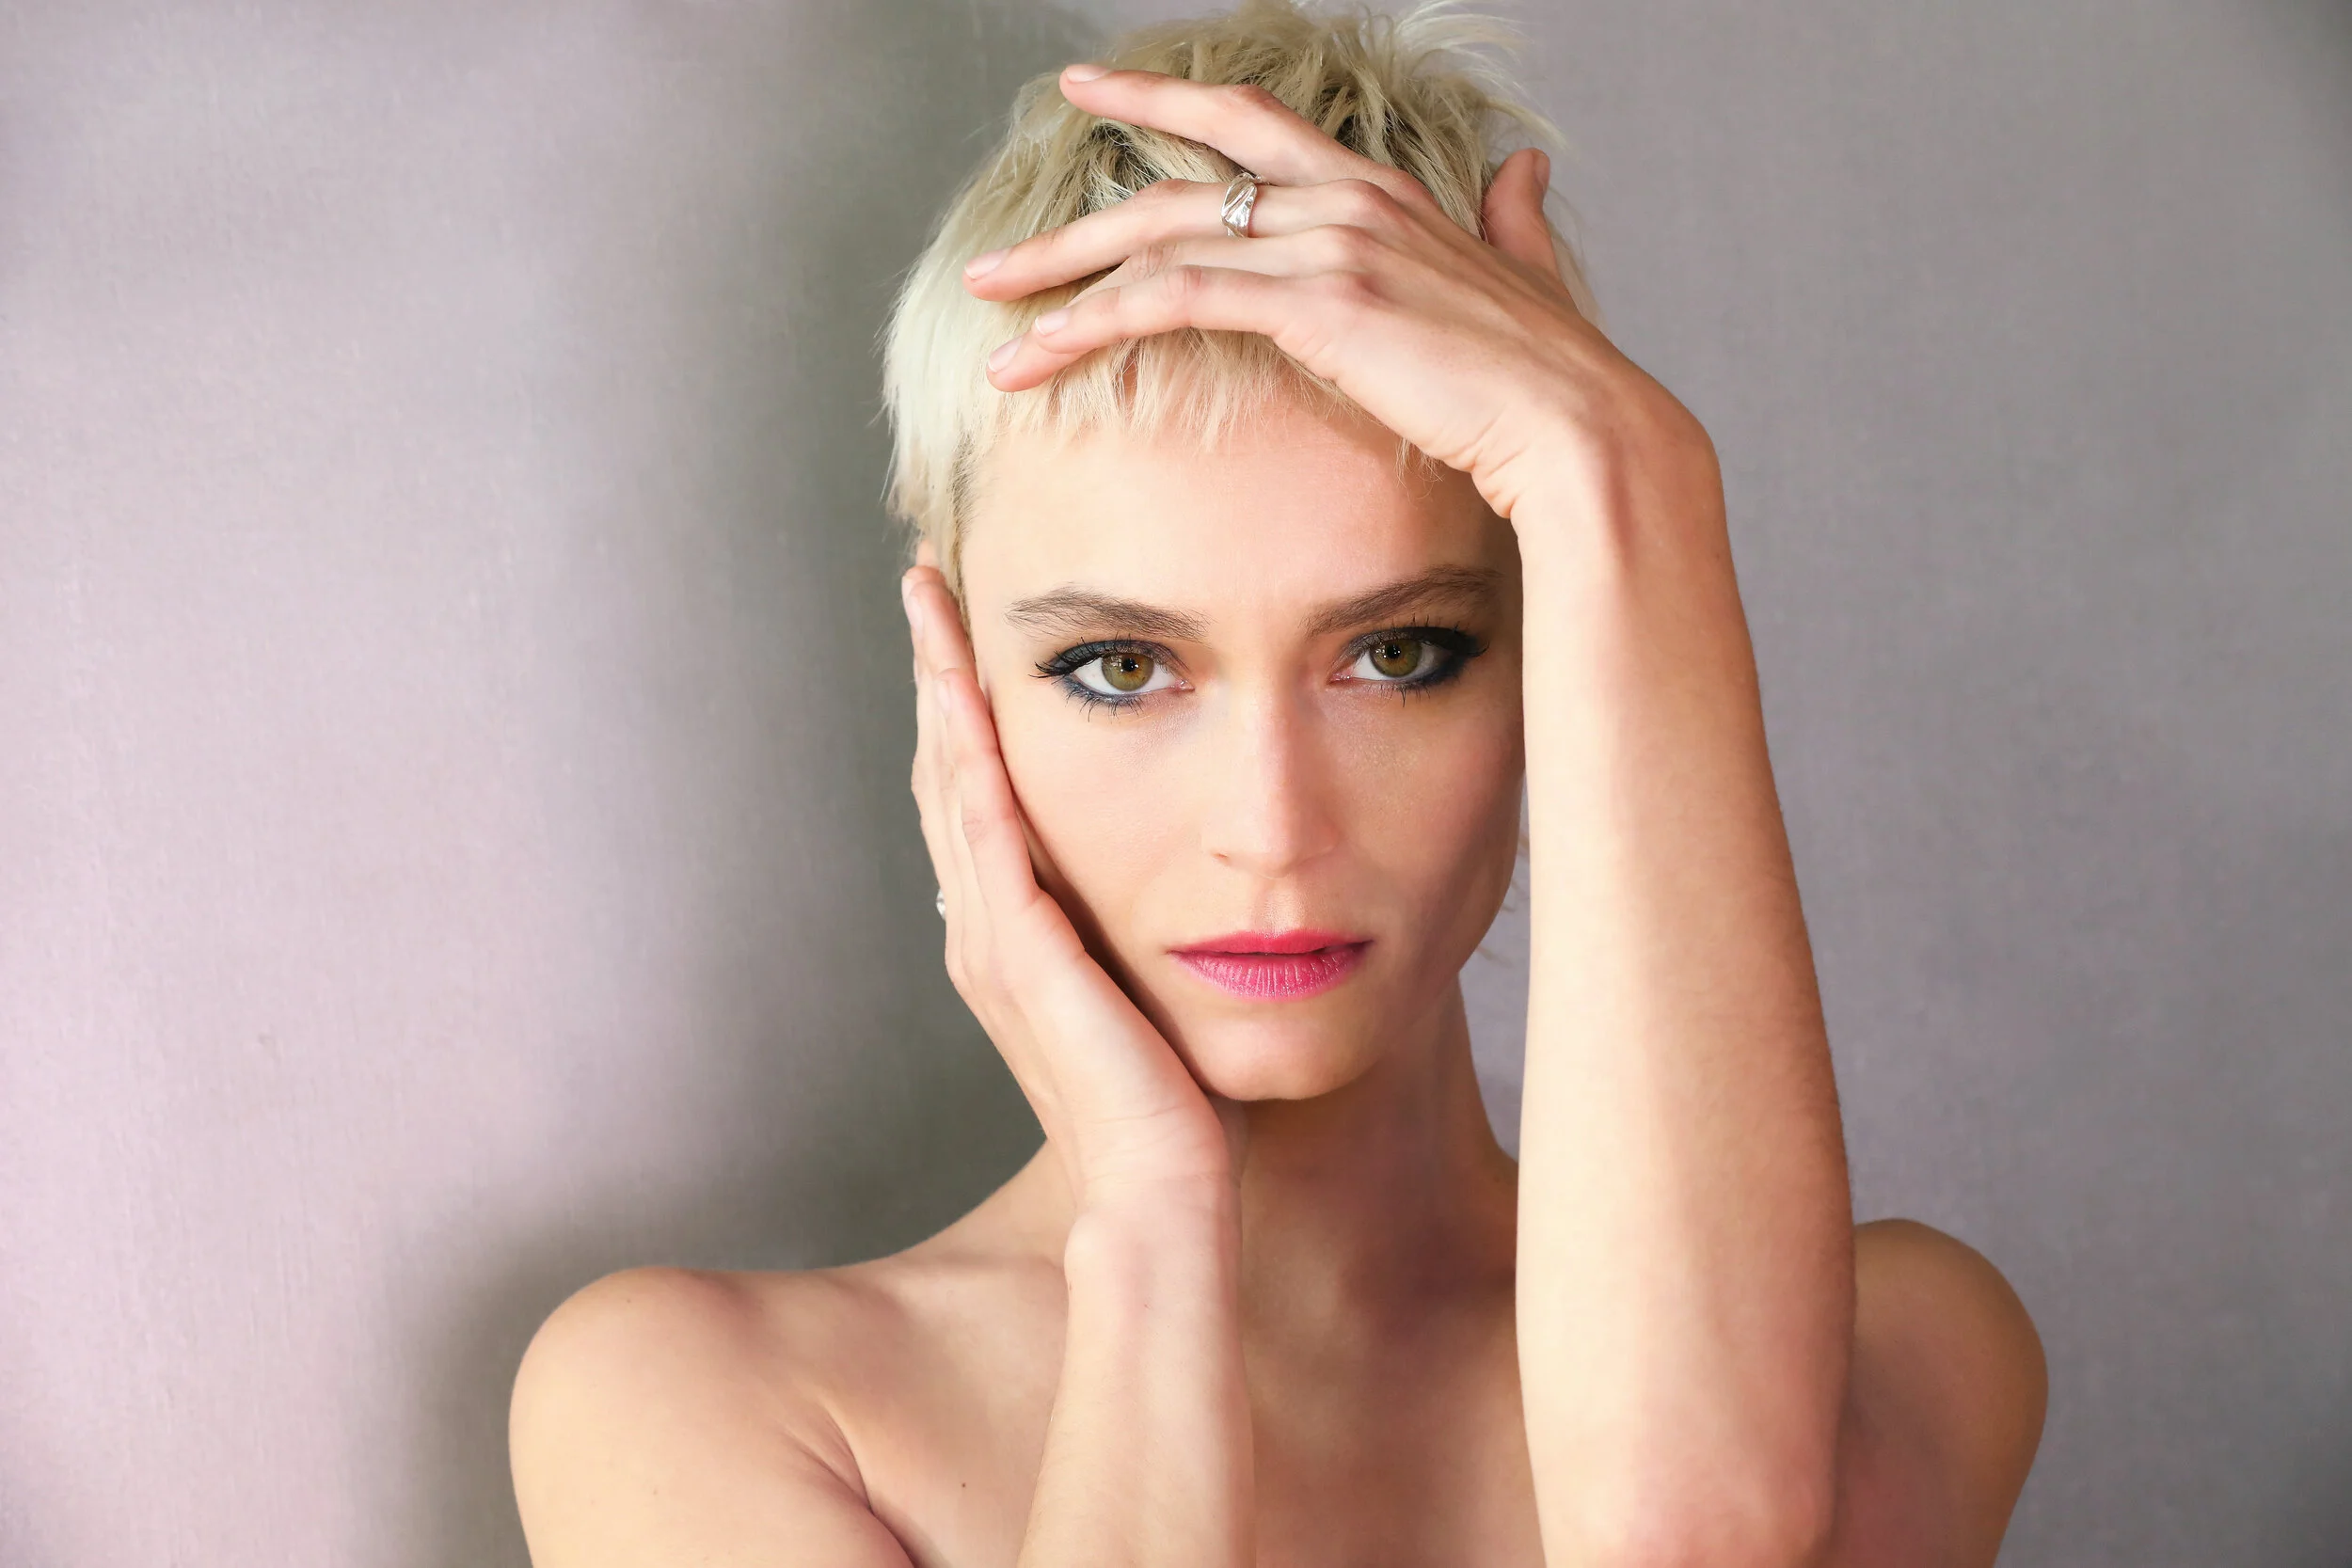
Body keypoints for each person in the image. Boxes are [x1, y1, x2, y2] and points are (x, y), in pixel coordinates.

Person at [506, 3, 2049, 1563]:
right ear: (956, 681)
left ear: (1554, 670)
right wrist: (1149, 1227)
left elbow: (1691, 1541)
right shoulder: (700, 1407)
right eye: (1121, 665)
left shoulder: (1904, 1349)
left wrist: (1624, 480)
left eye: (1400, 654)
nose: (1272, 829)